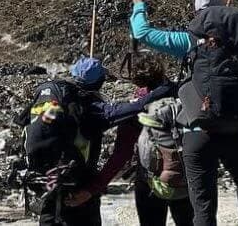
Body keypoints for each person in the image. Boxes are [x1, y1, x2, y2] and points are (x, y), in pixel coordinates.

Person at [130, 0, 238, 226]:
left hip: (198, 130)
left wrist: (139, 4)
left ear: (198, 12)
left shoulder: (190, 41)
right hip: (235, 128)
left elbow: (142, 33)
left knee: (203, 203)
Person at [22, 57, 173, 226]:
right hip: (78, 179)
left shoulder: (54, 97)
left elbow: (22, 121)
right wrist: (168, 88)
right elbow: (134, 110)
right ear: (99, 82)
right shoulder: (93, 108)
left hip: (48, 179)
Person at [64, 61, 193, 226]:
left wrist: (91, 189)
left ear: (137, 81)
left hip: (150, 181)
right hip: (187, 178)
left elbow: (120, 156)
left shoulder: (134, 109)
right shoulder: (184, 98)